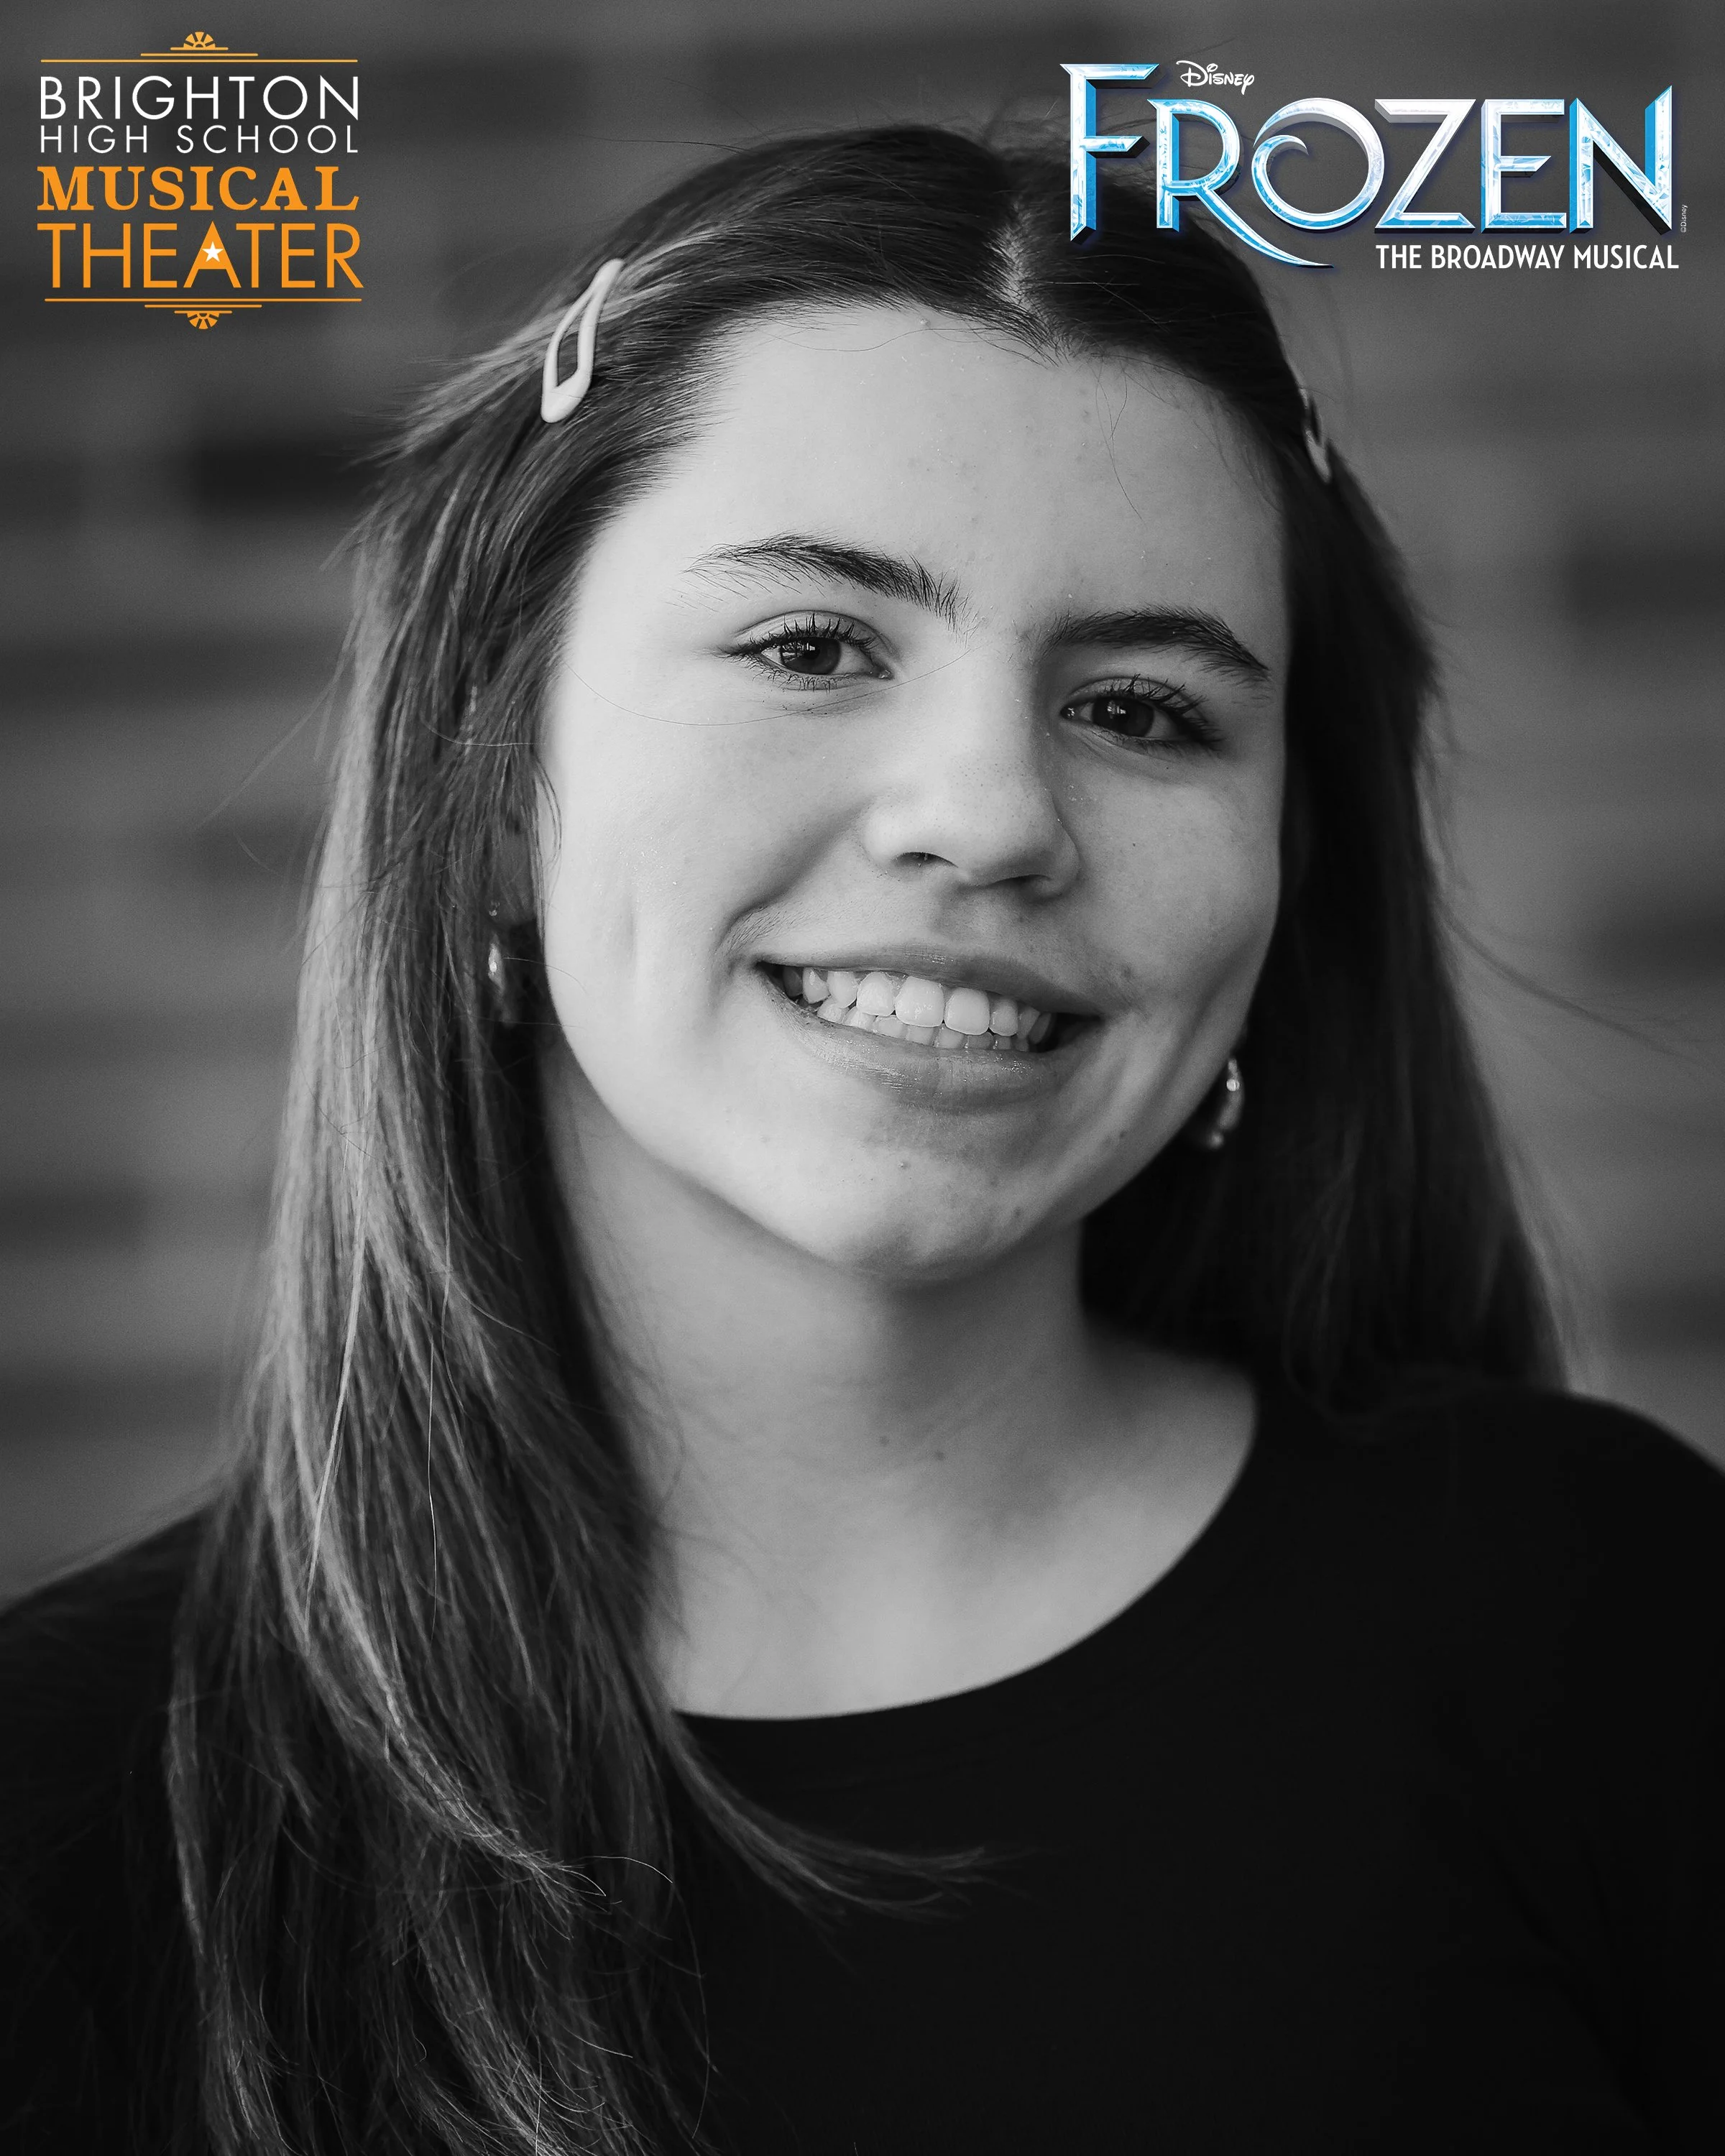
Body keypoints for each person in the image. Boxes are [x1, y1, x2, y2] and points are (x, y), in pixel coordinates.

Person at [2, 124, 1721, 2156]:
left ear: (1288, 873)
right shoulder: (60, 1808)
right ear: (492, 783)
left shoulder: (1603, 1624)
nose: (988, 816)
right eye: (812, 648)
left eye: (1146, 708)